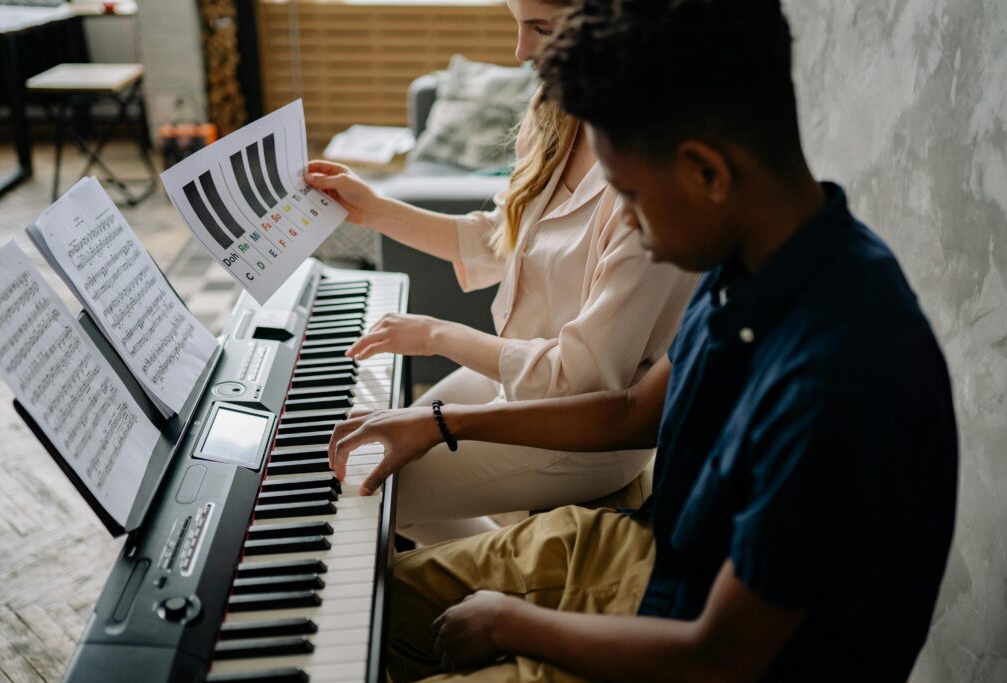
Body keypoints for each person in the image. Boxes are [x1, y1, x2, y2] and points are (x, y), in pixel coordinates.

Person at [328, 0, 960, 680]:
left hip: (688, 645)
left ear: (706, 173)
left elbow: (717, 658)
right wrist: (440, 421)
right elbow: (632, 409)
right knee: (366, 610)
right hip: (649, 556)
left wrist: (514, 624)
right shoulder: (756, 258)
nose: (624, 222)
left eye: (627, 193)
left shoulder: (838, 380)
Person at [305, 0, 698, 544]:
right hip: (516, 375)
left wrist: (438, 335)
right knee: (376, 453)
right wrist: (372, 208)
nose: (521, 51)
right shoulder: (555, 110)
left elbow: (578, 381)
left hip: (579, 428)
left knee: (372, 481)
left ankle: (486, 591)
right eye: (516, 25)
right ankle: (484, 570)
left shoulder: (647, 185)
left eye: (541, 28)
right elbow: (502, 236)